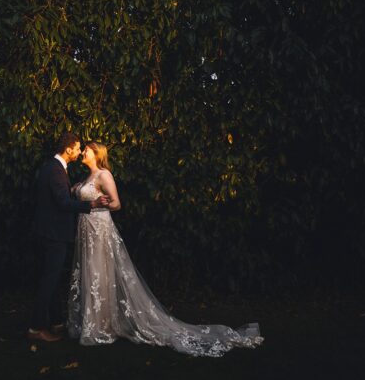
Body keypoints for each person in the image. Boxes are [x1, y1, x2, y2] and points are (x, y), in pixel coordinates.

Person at [67, 141, 264, 356]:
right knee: (91, 272)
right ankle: (95, 323)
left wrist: (99, 204)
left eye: (86, 149)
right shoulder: (87, 177)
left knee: (99, 272)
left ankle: (101, 326)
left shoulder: (104, 175)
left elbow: (117, 204)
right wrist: (76, 189)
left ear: (96, 154)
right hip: (87, 231)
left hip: (99, 229)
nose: (83, 151)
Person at [28, 133, 110, 342]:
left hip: (48, 232)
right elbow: (63, 204)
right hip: (53, 234)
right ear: (69, 149)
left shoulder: (54, 168)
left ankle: (56, 322)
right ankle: (37, 328)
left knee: (52, 279)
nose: (80, 151)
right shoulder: (55, 170)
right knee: (49, 280)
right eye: (78, 147)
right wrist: (91, 204)